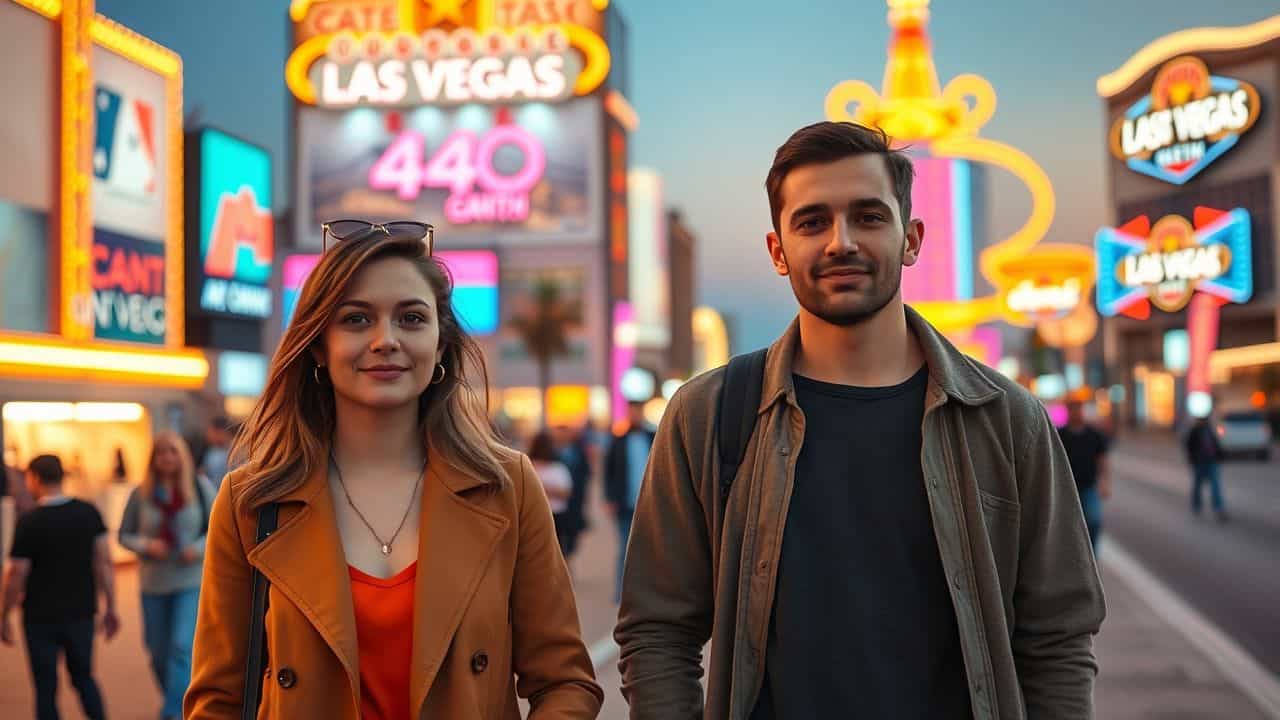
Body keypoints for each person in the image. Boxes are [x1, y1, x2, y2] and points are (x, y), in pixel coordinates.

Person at [614, 122, 1106, 719]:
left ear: (912, 240)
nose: (840, 242)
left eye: (869, 216)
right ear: (777, 250)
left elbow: (1057, 638)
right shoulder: (708, 414)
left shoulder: (1005, 418)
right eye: (812, 221)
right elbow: (657, 630)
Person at [186, 222, 601, 719]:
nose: (385, 340)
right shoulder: (250, 501)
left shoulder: (506, 487)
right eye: (357, 320)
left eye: (410, 318)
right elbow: (217, 701)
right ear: (319, 345)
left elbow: (565, 682)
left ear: (441, 343)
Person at [2, 454, 119, 720]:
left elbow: (17, 572)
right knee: (84, 678)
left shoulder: (29, 521)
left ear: (34, 477)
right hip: (80, 612)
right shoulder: (88, 512)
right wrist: (111, 605)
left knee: (45, 687)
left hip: (39, 616)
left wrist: (5, 612)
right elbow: (104, 562)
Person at [118, 432, 215, 720]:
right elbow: (123, 535)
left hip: (189, 580)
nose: (167, 458)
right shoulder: (141, 494)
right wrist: (147, 545)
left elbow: (219, 530)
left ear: (182, 456)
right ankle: (178, 700)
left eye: (173, 452)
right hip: (153, 582)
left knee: (180, 647)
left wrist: (197, 549)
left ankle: (173, 712)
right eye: (161, 453)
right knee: (158, 652)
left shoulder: (200, 487)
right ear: (153, 459)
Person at [604, 400, 655, 603]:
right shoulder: (618, 441)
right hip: (624, 504)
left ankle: (649, 592)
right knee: (625, 547)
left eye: (638, 411)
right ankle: (622, 592)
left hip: (650, 504)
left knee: (651, 548)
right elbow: (609, 472)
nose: (635, 415)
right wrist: (609, 498)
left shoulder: (653, 437)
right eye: (631, 412)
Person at [1057, 400, 1112, 554]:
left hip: (1089, 486)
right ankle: (1070, 556)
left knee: (1093, 521)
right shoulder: (1060, 434)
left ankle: (1092, 556)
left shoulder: (1094, 435)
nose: (1077, 412)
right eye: (1073, 409)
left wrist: (1105, 482)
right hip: (1066, 488)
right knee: (1066, 526)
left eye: (1079, 409)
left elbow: (1102, 460)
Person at [528, 431, 574, 558]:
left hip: (552, 514)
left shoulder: (527, 468)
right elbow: (567, 492)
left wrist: (542, 488)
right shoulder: (559, 468)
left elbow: (566, 493)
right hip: (549, 514)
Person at [552, 424, 593, 565]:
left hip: (574, 501)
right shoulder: (550, 453)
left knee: (572, 536)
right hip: (556, 504)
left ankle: (566, 561)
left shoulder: (577, 452)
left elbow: (586, 474)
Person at [1184, 414, 1227, 521]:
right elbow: (1189, 446)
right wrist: (1192, 460)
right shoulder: (1194, 432)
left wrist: (1220, 456)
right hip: (1199, 463)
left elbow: (1216, 445)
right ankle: (1196, 506)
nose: (1203, 422)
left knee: (1215, 486)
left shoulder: (1210, 431)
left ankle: (1218, 508)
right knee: (1197, 486)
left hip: (1211, 462)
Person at [199, 416, 233, 490]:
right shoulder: (211, 451)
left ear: (220, 432)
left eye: (211, 431)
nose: (208, 435)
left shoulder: (235, 452)